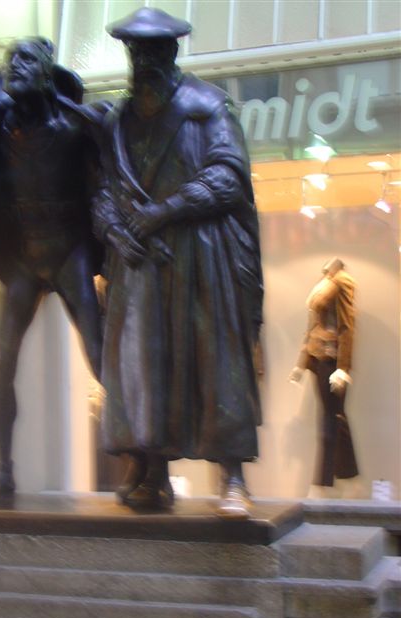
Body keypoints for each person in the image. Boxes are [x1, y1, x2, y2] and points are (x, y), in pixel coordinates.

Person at [91, 8, 263, 515]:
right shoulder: (117, 121)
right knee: (142, 367)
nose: (142, 60)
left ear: (171, 51)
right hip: (139, 260)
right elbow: (101, 189)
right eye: (135, 51)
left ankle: (233, 477)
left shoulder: (207, 107)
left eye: (152, 50)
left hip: (201, 254)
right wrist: (114, 231)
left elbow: (229, 176)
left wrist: (163, 211)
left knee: (217, 361)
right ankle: (152, 472)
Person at [0, 3, 103, 506]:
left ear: (47, 75)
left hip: (70, 250)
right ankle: (1, 470)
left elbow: (112, 168)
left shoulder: (75, 127)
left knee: (100, 354)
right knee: (0, 361)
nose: (15, 68)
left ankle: (143, 458)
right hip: (24, 258)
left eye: (26, 61)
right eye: (12, 62)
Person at [289, 257, 358, 494]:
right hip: (317, 359)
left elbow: (347, 325)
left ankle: (323, 484)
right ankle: (349, 478)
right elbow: (312, 326)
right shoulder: (325, 280)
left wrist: (343, 367)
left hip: (331, 360)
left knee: (330, 420)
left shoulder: (343, 280)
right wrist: (301, 364)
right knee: (334, 417)